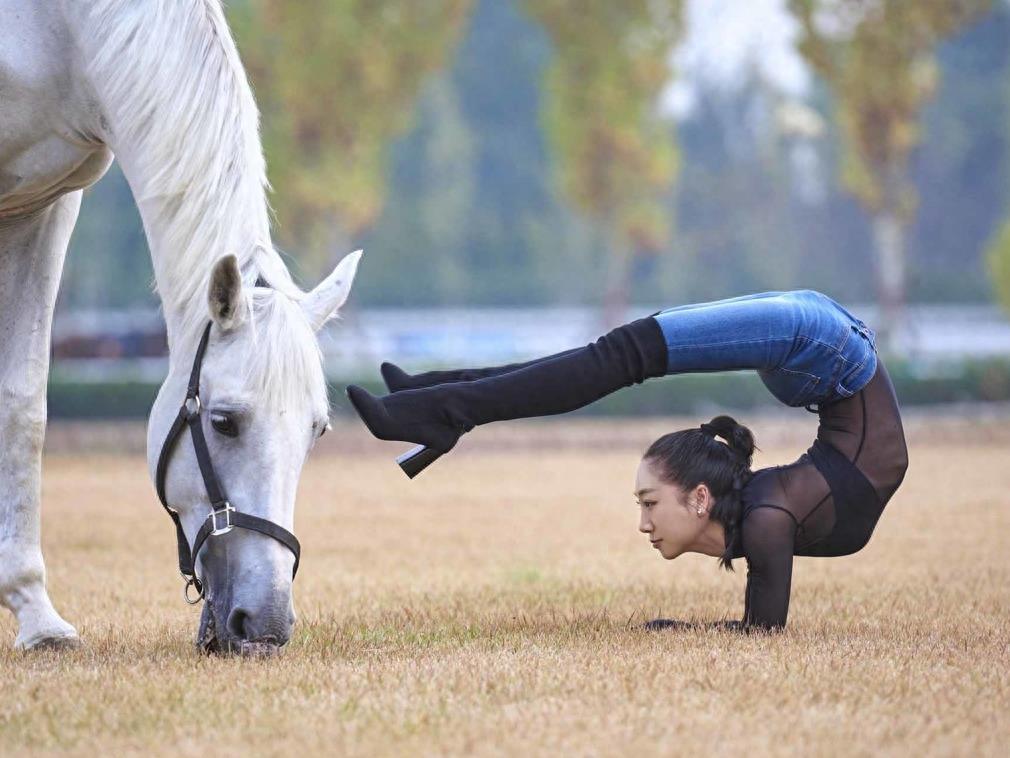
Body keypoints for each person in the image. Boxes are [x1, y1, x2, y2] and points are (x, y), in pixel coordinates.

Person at [346, 290, 908, 629]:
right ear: (701, 497)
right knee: (617, 355)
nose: (643, 521)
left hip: (823, 346)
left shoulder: (769, 516)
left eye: (648, 503)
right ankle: (437, 404)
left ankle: (433, 400)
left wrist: (677, 626)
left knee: (614, 353)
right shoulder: (767, 519)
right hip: (821, 345)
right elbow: (763, 633)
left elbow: (757, 633)